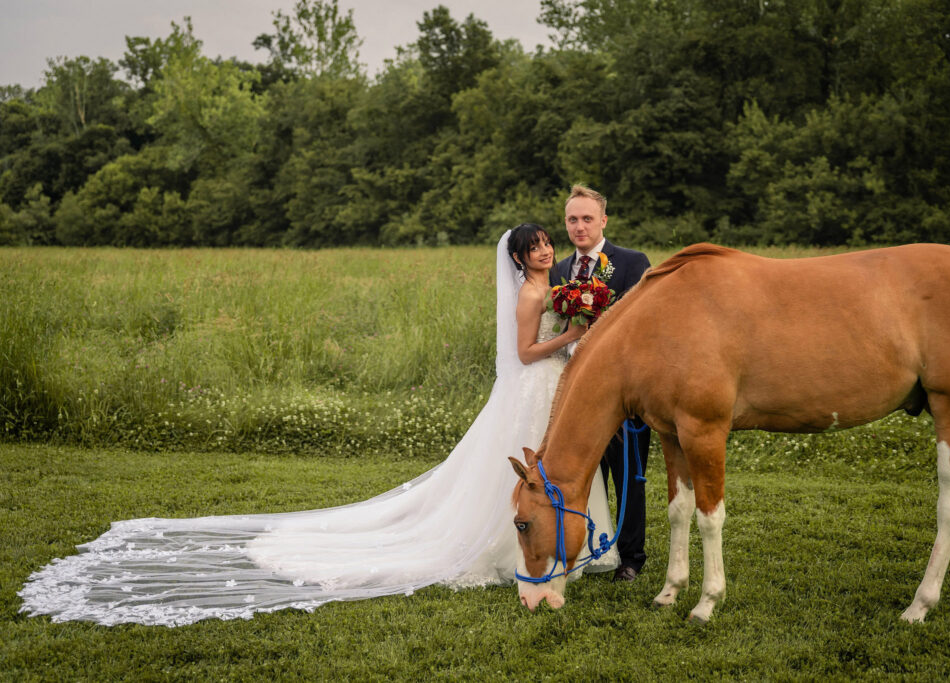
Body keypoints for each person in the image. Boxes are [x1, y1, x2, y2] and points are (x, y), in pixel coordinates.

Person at [18, 225, 618, 627]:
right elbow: (521, 353)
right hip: (532, 383)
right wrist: (569, 336)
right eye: (535, 245)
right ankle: (502, 548)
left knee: (559, 467)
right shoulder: (529, 298)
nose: (545, 248)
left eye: (547, 241)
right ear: (518, 257)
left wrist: (574, 326)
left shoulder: (555, 285)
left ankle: (570, 548)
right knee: (520, 477)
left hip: (554, 388)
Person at [550, 184, 652, 583]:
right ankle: (597, 549)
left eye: (587, 218)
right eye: (573, 219)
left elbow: (643, 324)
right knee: (586, 475)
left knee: (629, 474)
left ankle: (632, 558)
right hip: (578, 394)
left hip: (623, 391)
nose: (580, 226)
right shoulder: (559, 271)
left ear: (603, 221)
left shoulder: (630, 262)